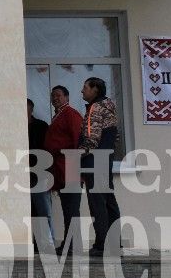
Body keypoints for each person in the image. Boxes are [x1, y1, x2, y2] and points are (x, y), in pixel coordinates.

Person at [80, 77, 121, 256]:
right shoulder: (109, 107)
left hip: (94, 161)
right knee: (109, 202)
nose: (82, 91)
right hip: (107, 159)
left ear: (95, 90)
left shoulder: (94, 108)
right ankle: (115, 242)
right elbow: (116, 137)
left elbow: (91, 139)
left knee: (97, 204)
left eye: (85, 87)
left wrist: (75, 155)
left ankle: (102, 245)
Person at [44, 84, 83, 256]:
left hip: (70, 168)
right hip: (60, 169)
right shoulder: (58, 115)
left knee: (71, 210)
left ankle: (72, 246)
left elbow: (78, 140)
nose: (55, 98)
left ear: (67, 97)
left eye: (59, 95)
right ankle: (69, 244)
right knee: (67, 209)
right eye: (53, 96)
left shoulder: (71, 114)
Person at [27, 99, 53, 251]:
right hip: (22, 174)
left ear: (31, 110)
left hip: (40, 173)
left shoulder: (41, 126)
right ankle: (36, 242)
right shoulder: (16, 127)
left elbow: (47, 149)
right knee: (30, 210)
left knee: (43, 210)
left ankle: (46, 243)